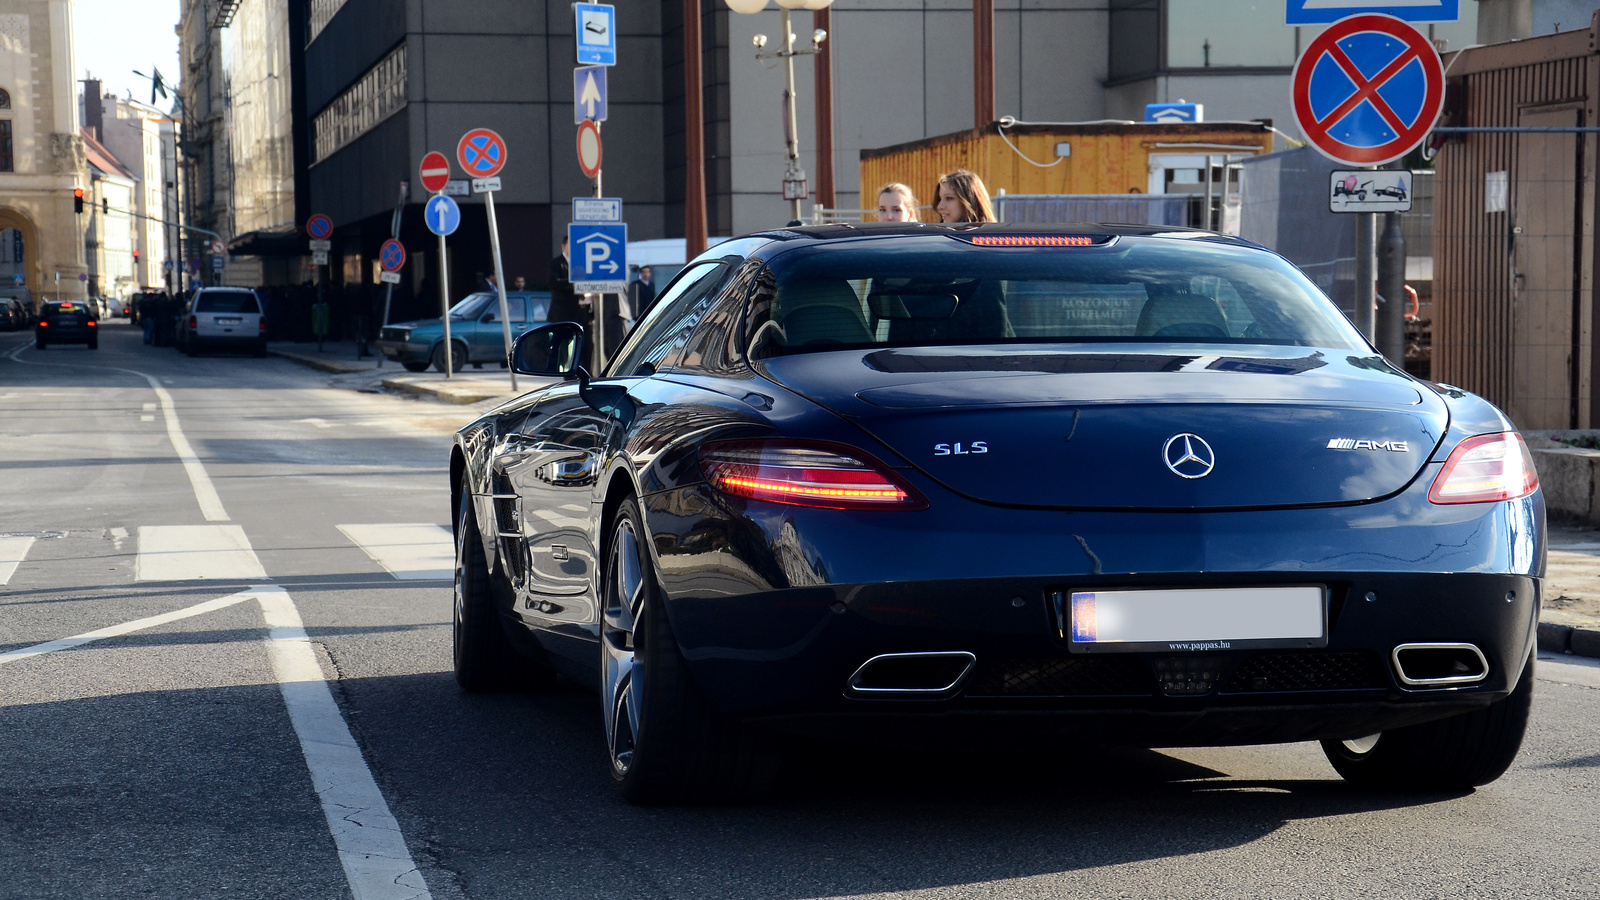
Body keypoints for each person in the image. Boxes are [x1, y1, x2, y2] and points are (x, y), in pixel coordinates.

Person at [933, 169, 997, 224]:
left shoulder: (989, 237)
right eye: (939, 199)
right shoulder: (938, 237)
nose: (940, 207)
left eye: (949, 198)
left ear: (970, 200)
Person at [547, 236, 586, 326]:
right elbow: (552, 282)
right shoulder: (555, 263)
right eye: (570, 245)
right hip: (562, 311)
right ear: (563, 246)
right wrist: (572, 283)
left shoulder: (580, 263)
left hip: (579, 311)